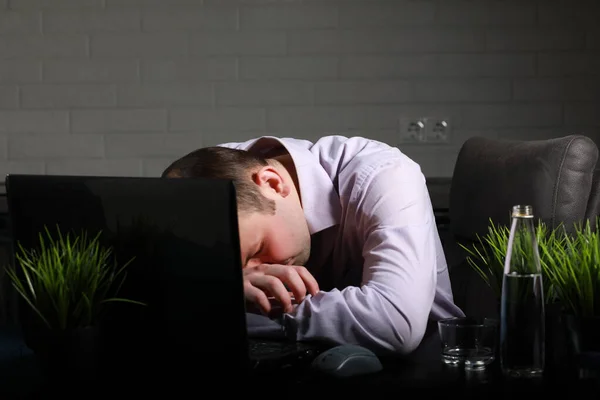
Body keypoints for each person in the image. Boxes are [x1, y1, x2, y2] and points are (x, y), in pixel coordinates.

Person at [162, 135, 465, 355]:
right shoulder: (212, 178)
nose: (257, 274)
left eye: (255, 252)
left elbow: (394, 323)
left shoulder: (386, 177)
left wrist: (228, 304)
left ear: (272, 184)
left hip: (421, 371)